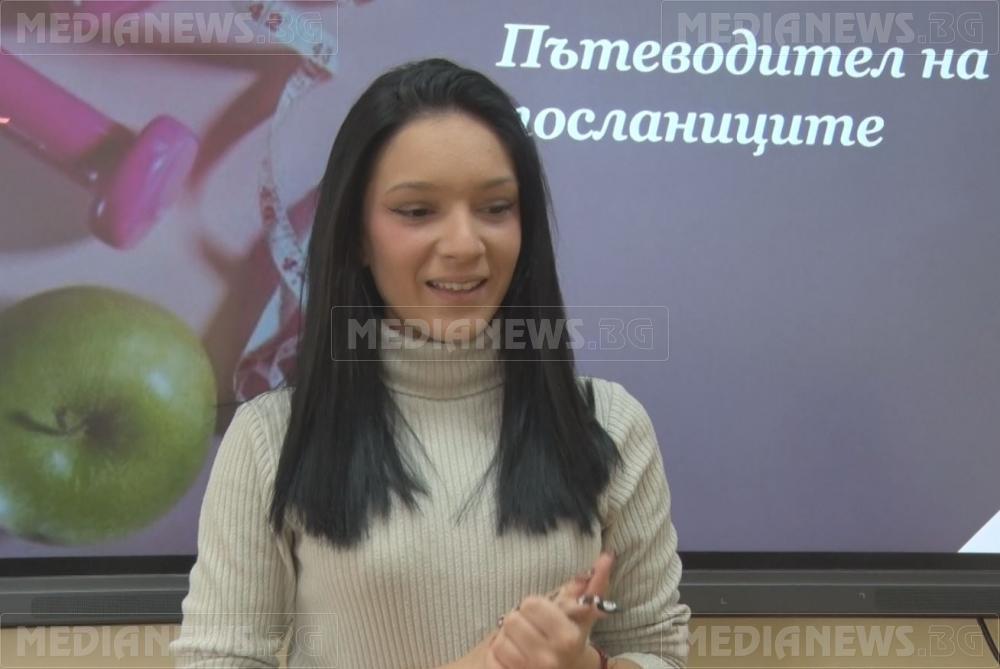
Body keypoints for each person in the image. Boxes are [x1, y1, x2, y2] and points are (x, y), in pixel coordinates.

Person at [169, 58, 691, 669]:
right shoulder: (270, 441)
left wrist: (587, 667)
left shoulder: (610, 425)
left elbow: (658, 651)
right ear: (356, 235)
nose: (465, 245)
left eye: (496, 207)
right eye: (417, 212)